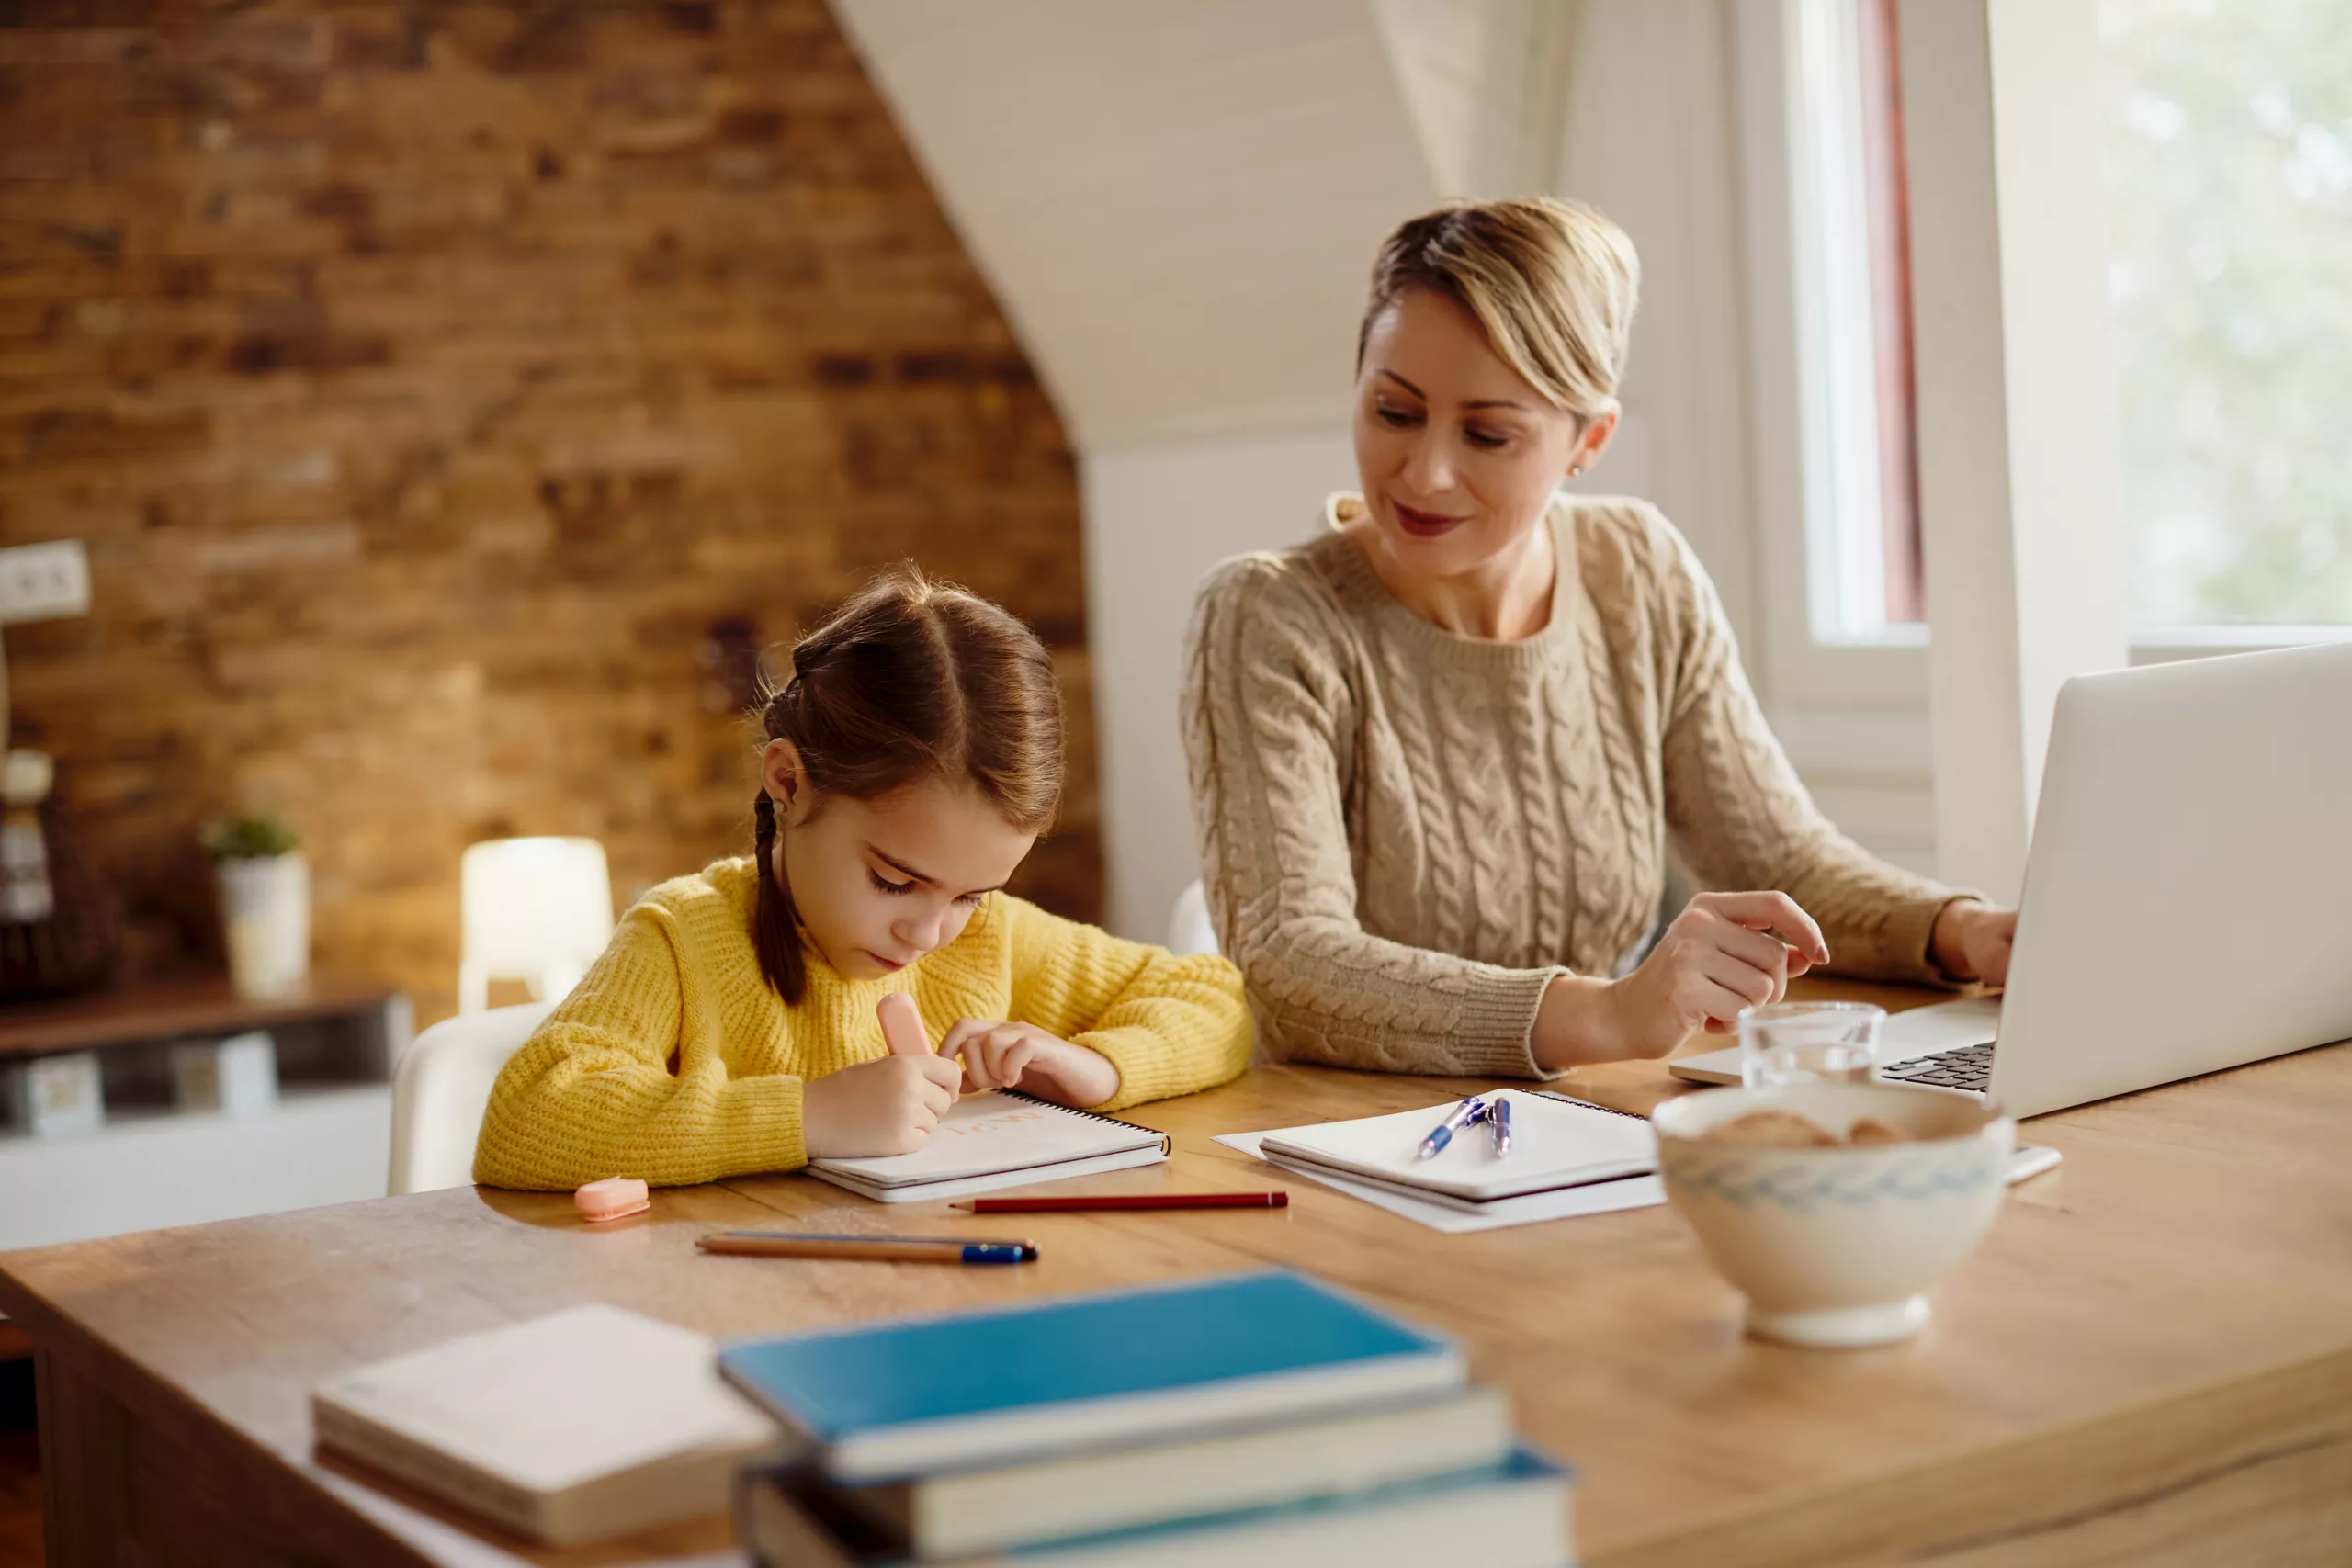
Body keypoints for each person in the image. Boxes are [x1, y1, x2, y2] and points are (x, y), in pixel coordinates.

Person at [1181, 197, 2017, 1078]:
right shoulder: (1265, 616)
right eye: (1394, 412)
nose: (1424, 471)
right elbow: (1290, 961)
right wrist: (1610, 1013)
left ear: (1589, 439)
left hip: (1586, 1122)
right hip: (1352, 1139)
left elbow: (1780, 861)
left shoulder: (1638, 569)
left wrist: (1963, 930)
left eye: (1488, 433)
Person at [476, 569, 1252, 1190]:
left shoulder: (986, 939)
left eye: (969, 893)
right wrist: (808, 1115)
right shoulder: (685, 937)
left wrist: (1095, 1066)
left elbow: (1216, 1001)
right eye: (893, 882)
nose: (928, 933)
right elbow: (528, 1118)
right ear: (788, 782)